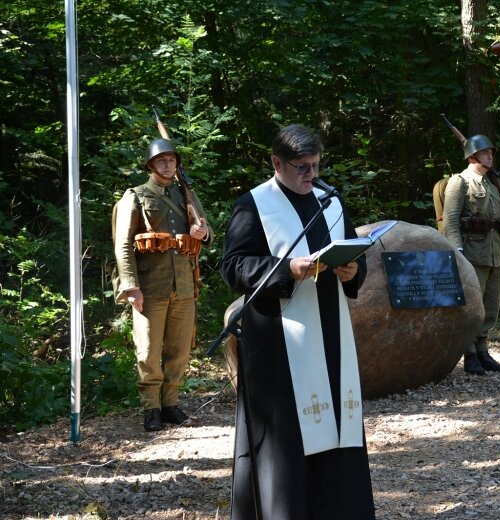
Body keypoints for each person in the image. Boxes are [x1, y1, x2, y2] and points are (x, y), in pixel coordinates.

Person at [220, 124, 375, 519]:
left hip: (331, 333)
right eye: (302, 167)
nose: (312, 175)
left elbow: (356, 254)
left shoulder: (331, 200)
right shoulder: (254, 205)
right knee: (288, 439)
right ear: (276, 163)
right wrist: (288, 268)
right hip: (280, 341)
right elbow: (234, 266)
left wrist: (353, 270)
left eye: (316, 165)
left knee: (338, 427)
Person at [113, 138, 213, 431]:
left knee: (179, 351)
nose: (168, 165)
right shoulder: (136, 196)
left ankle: (170, 404)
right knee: (147, 351)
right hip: (150, 286)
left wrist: (202, 232)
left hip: (183, 285)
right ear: (151, 165)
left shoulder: (188, 195)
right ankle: (151, 409)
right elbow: (123, 245)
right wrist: (131, 286)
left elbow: (207, 236)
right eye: (162, 160)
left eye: (172, 160)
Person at [442, 134, 500, 375]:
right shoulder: (460, 182)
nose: (490, 155)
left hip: (493, 252)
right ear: (472, 156)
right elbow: (451, 221)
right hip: (471, 252)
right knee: (472, 306)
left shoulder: (492, 184)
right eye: (485, 152)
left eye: (491, 152)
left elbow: (499, 221)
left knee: (490, 307)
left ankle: (483, 350)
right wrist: (457, 252)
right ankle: (469, 354)